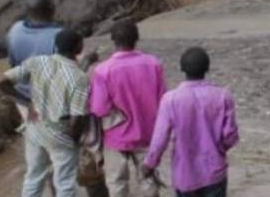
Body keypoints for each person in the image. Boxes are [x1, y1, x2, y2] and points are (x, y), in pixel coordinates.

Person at [0, 29, 90, 197]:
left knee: (33, 176)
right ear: (79, 48)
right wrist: (73, 141)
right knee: (65, 183)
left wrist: (25, 100)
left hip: (34, 126)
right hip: (59, 130)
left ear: (56, 46)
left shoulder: (37, 62)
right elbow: (78, 117)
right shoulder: (80, 78)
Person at [141, 48, 239, 197]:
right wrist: (217, 148)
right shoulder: (223, 96)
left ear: (182, 69)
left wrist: (150, 163)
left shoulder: (170, 99)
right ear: (207, 68)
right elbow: (230, 136)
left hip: (185, 173)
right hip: (214, 170)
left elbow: (160, 138)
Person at [89, 20, 165, 197]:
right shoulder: (154, 64)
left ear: (113, 40)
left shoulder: (103, 70)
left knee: (117, 183)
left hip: (116, 137)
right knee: (149, 180)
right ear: (137, 38)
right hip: (148, 133)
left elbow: (99, 109)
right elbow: (163, 101)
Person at [6, 0, 63, 123]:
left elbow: (13, 65)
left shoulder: (15, 30)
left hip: (23, 98)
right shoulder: (60, 36)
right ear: (52, 10)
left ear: (27, 11)